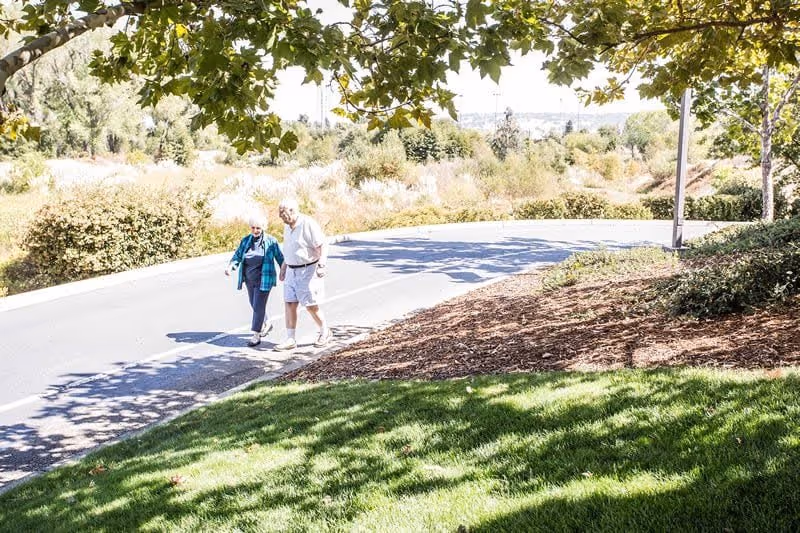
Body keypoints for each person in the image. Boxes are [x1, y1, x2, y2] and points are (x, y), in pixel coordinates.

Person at [275, 197, 331, 350]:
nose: (280, 216)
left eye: (282, 212)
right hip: (291, 270)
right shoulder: (287, 226)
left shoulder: (308, 224)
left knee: (310, 304)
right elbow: (289, 248)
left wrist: (322, 264)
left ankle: (324, 331)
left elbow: (322, 245)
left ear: (292, 211)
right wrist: (284, 266)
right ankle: (290, 338)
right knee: (290, 302)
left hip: (307, 269)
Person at [225, 215, 284, 347]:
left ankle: (256, 335)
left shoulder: (271, 241)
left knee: (258, 306)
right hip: (249, 279)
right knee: (254, 304)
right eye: (253, 227)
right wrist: (230, 267)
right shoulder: (246, 241)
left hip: (264, 279)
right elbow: (238, 256)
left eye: (258, 228)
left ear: (263, 228)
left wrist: (284, 271)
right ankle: (267, 323)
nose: (255, 230)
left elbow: (280, 258)